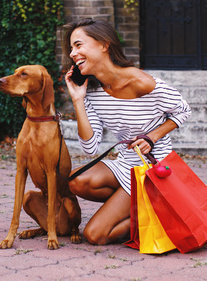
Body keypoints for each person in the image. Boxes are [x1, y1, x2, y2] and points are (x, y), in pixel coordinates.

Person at [62, 18, 191, 245]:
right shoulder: (92, 92)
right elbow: (90, 148)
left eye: (78, 45)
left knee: (95, 235)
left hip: (152, 169)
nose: (72, 53)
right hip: (124, 165)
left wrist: (152, 136)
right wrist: (78, 100)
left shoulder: (139, 81)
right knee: (76, 180)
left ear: (104, 44)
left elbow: (183, 110)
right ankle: (143, 206)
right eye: (71, 48)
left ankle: (158, 214)